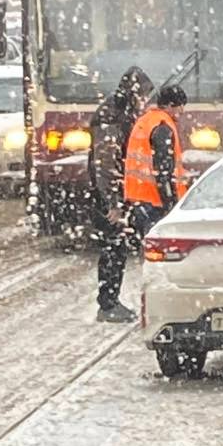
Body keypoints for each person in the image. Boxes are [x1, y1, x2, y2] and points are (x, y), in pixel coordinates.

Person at [89, 67, 155, 323]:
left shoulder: (120, 112)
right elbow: (105, 165)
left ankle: (110, 301)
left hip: (115, 194)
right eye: (143, 96)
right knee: (112, 249)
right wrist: (113, 203)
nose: (145, 102)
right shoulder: (112, 117)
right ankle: (108, 304)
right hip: (108, 197)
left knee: (116, 248)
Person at [124, 84, 189, 237]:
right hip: (155, 199)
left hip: (139, 195)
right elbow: (163, 167)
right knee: (161, 245)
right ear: (170, 106)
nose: (182, 111)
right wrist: (170, 201)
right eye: (180, 106)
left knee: (150, 242)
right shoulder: (162, 125)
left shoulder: (145, 120)